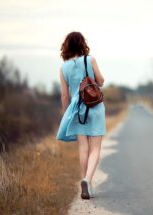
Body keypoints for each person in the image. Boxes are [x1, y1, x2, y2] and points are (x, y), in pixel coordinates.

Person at [56, 31, 106, 199]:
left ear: (67, 47)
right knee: (96, 148)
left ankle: (85, 182)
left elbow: (64, 95)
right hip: (95, 107)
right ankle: (87, 180)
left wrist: (66, 114)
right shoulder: (90, 60)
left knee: (83, 149)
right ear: (83, 44)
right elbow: (100, 81)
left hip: (77, 110)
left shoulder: (63, 68)